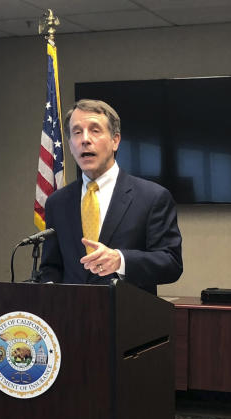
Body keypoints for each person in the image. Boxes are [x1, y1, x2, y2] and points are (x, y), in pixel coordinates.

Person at [38, 99, 182, 294]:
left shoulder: (152, 197)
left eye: (95, 130)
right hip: (70, 318)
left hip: (127, 318)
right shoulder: (57, 202)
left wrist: (120, 260)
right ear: (70, 146)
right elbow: (51, 267)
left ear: (115, 141)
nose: (85, 139)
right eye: (77, 132)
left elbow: (171, 263)